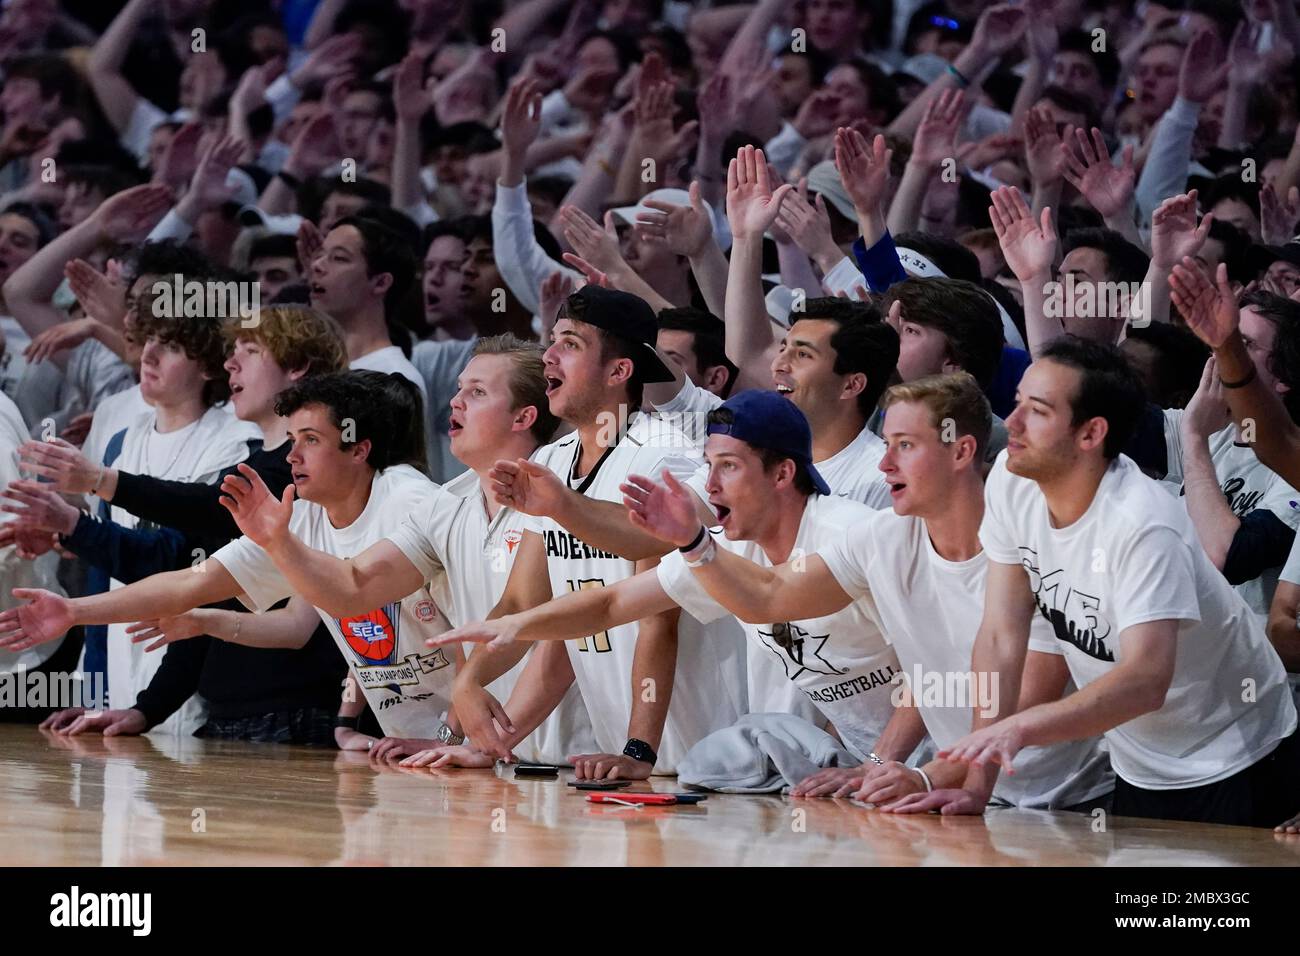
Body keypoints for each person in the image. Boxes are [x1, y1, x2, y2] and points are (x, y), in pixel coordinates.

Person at [604, 373, 1111, 808]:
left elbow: (1022, 700)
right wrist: (695, 544)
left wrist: (924, 773)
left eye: (905, 446)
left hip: (1069, 797)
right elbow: (768, 599)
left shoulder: (1026, 543)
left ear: (962, 450)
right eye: (886, 444)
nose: (884, 464)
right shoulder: (886, 535)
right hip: (963, 791)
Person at [902, 338, 1295, 826]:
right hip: (1138, 763)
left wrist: (1021, 728)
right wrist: (979, 781)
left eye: (1037, 411)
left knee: (1208, 903)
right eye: (1019, 401)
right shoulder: (1011, 477)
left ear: (1091, 434)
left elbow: (1146, 681)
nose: (1014, 422)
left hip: (1238, 755)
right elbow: (1002, 636)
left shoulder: (1143, 524)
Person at [0, 371, 464, 761]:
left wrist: (453, 735)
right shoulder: (302, 516)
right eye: (291, 439)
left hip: (485, 737)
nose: (292, 456)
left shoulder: (409, 499)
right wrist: (75, 611)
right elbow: (191, 583)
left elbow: (464, 623)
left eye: (311, 440)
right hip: (420, 745)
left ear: (359, 449)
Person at [432, 389, 902, 770]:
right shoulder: (731, 548)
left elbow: (769, 597)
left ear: (782, 473)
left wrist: (885, 761)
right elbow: (611, 605)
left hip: (938, 762)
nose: (711, 484)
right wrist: (516, 626)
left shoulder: (852, 532)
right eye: (709, 465)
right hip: (869, 770)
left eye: (730, 467)